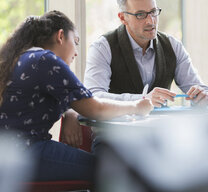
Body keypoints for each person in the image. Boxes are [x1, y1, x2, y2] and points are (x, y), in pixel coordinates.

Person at [0, 10, 153, 181]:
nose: (76, 53)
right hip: (28, 153)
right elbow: (95, 109)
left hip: (8, 153)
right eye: (76, 41)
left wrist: (70, 113)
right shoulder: (46, 60)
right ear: (60, 36)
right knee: (110, 170)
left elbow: (53, 97)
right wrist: (137, 106)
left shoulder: (20, 58)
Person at [84, 0, 208, 108]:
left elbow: (203, 91)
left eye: (153, 11)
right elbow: (93, 97)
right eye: (140, 15)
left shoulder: (173, 46)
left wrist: (204, 98)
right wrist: (143, 100)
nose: (150, 21)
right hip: (115, 129)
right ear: (123, 18)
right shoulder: (103, 48)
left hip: (159, 128)